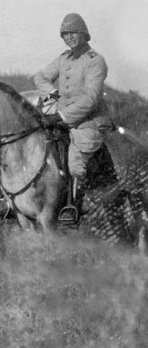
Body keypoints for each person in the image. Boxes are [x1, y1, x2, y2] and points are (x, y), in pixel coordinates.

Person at [34, 13, 112, 224]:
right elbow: (40, 77)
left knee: (75, 163)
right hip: (61, 120)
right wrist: (52, 94)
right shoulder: (63, 58)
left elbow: (91, 99)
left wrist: (61, 115)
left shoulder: (95, 61)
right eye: (65, 34)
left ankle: (73, 207)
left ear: (84, 33)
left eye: (73, 33)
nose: (69, 37)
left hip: (87, 122)